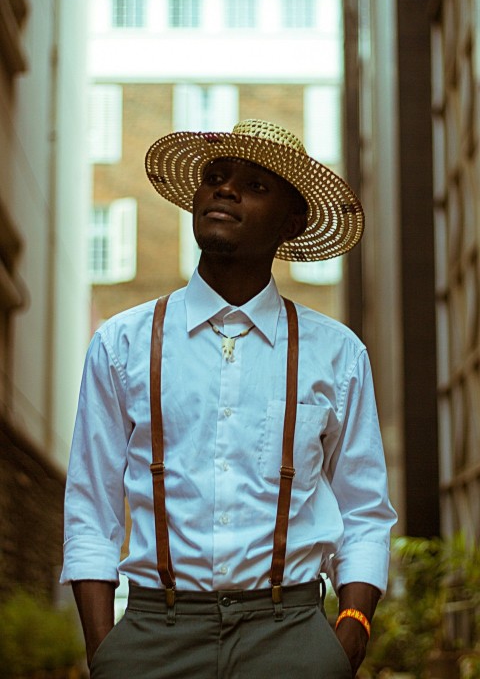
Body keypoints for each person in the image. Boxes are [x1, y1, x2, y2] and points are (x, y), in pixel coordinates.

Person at [61, 119, 397, 679]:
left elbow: (364, 510)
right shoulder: (121, 344)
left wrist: (351, 633)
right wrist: (105, 652)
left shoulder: (337, 354)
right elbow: (90, 510)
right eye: (215, 176)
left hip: (292, 633)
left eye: (255, 185)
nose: (224, 189)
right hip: (153, 634)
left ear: (292, 222)